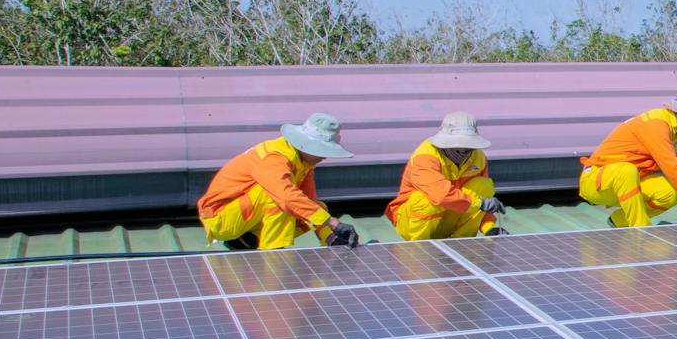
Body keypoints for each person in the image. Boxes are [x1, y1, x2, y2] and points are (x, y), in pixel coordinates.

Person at [198, 112, 359, 251]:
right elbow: (285, 197)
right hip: (220, 218)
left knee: (315, 208)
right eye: (322, 150)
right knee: (283, 198)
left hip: (245, 216)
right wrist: (333, 223)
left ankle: (246, 239)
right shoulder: (274, 157)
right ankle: (273, 254)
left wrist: (332, 236)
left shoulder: (303, 163)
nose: (324, 157)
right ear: (307, 146)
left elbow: (310, 203)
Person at [578, 90, 677, 226]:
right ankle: (640, 229)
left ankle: (620, 220)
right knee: (626, 170)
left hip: (627, 184)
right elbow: (671, 165)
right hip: (595, 181)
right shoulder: (656, 124)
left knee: (670, 192)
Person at [386, 111, 506, 241]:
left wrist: (489, 227)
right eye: (457, 146)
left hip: (448, 218)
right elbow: (441, 195)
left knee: (483, 186)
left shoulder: (478, 157)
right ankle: (419, 246)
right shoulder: (425, 156)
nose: (463, 151)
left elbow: (483, 198)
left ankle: (462, 242)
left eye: (467, 147)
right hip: (412, 222)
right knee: (424, 200)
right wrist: (479, 203)